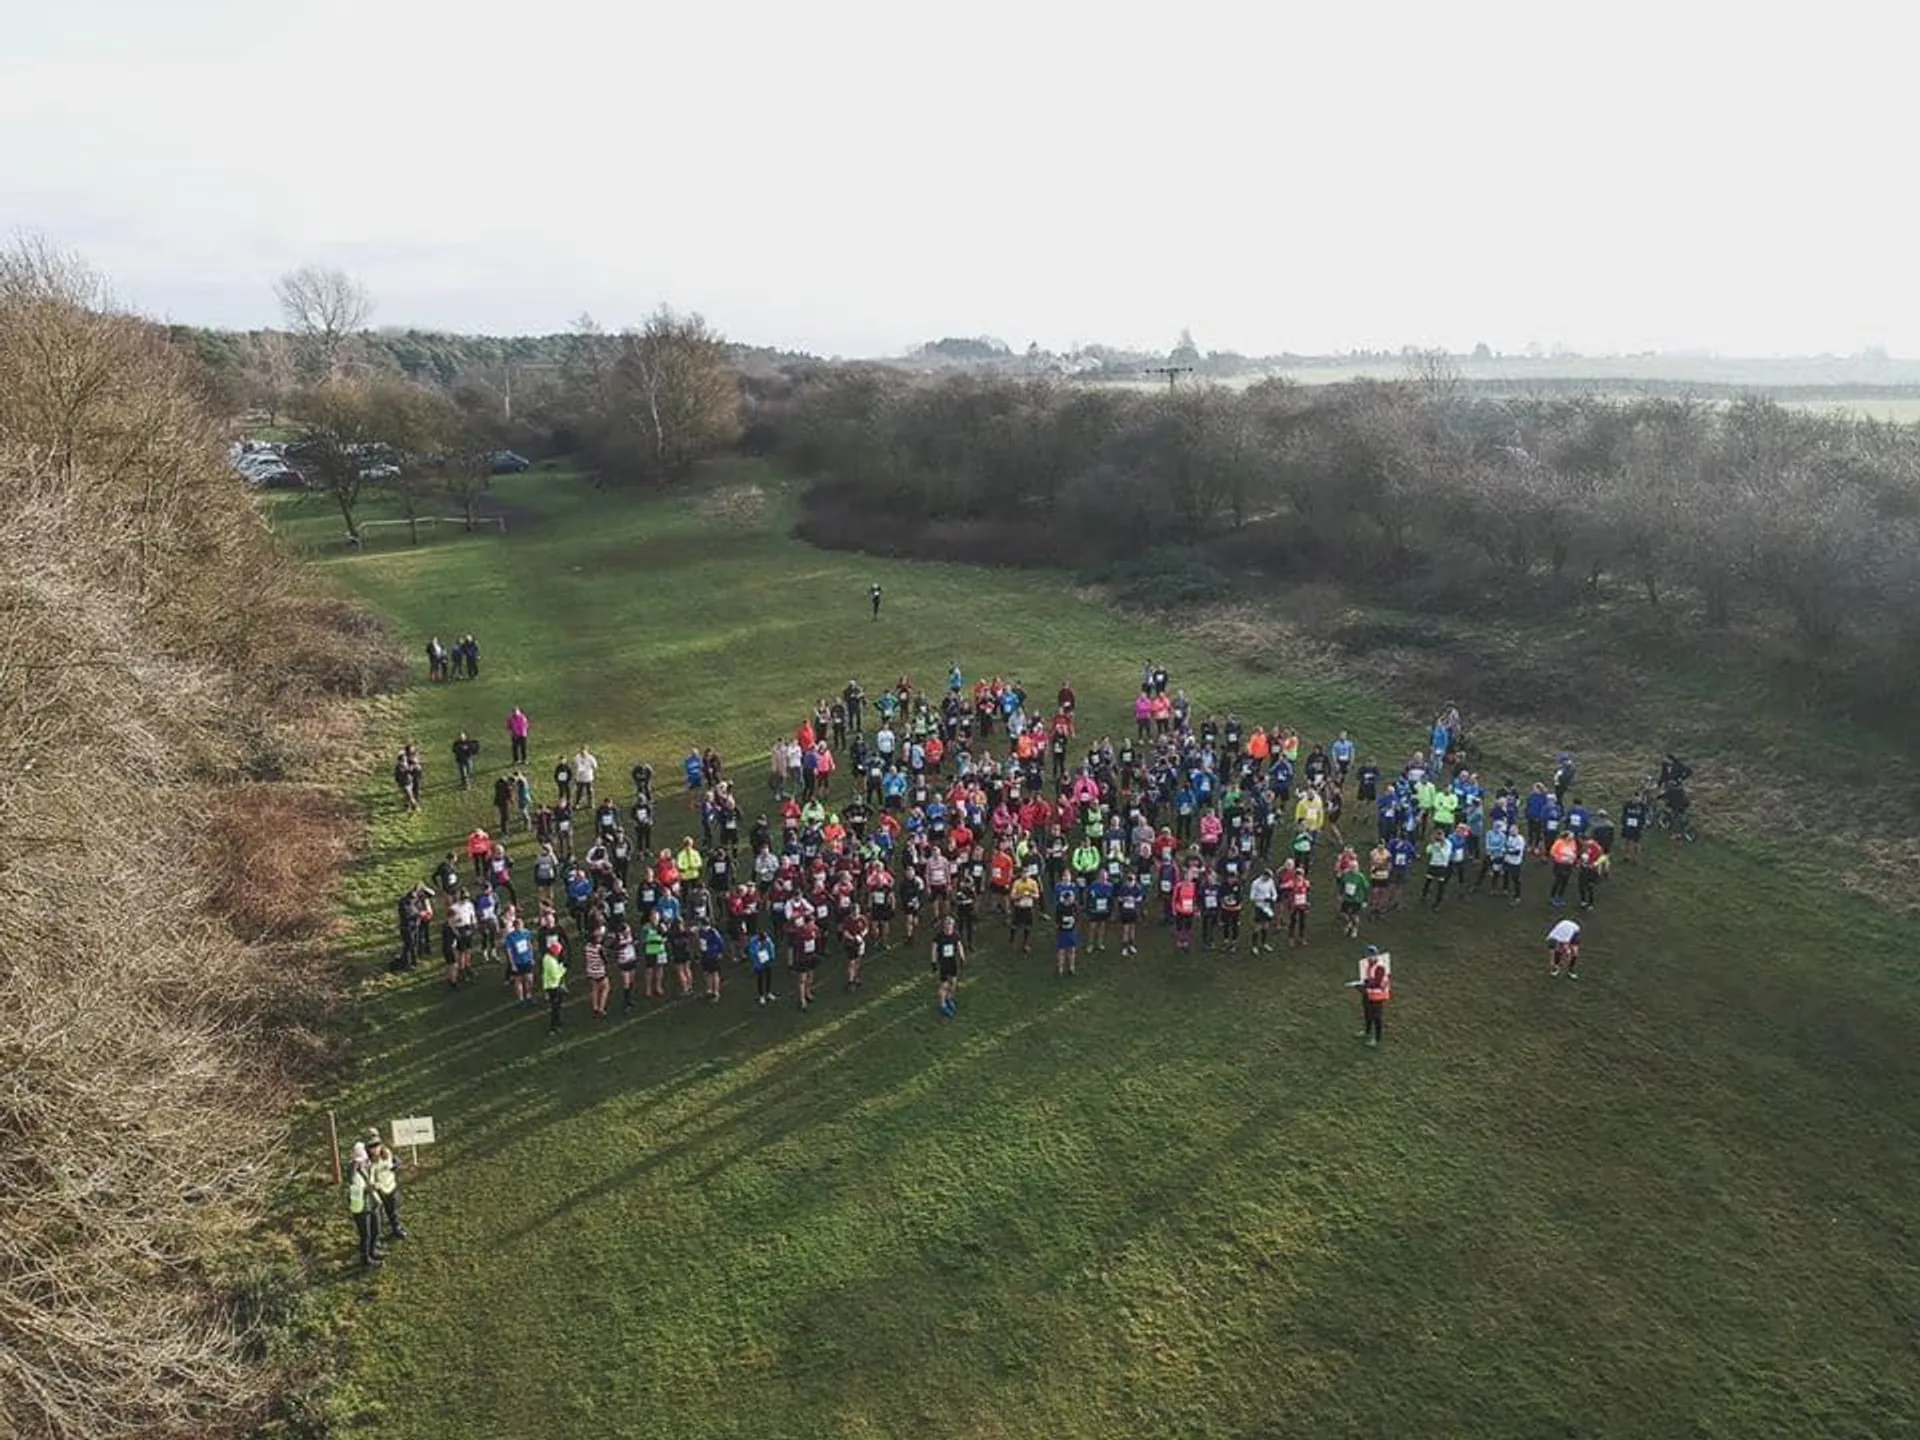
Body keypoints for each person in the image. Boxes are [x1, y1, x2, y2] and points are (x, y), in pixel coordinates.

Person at [366, 1129, 406, 1242]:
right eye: (371, 1146)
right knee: (378, 1214)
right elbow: (369, 1178)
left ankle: (396, 1229)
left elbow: (396, 1161)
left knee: (392, 1210)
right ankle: (377, 1235)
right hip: (379, 1190)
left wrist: (396, 1165)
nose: (374, 1149)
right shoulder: (369, 1161)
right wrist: (373, 1185)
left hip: (391, 1185)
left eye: (377, 1145)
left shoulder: (387, 1152)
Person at [348, 1142, 382, 1268]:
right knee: (365, 1235)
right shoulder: (354, 1170)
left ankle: (373, 1252)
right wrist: (357, 1163)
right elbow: (353, 1182)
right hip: (361, 1207)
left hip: (370, 1204)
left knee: (375, 1230)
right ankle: (365, 1259)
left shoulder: (366, 1168)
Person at [1352, 946, 1390, 1047]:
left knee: (1377, 1017)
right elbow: (1368, 978)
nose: (1370, 958)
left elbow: (1377, 982)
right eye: (1368, 956)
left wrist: (1362, 986)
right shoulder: (1368, 965)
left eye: (1372, 956)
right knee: (1367, 1014)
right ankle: (1366, 1032)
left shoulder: (1380, 966)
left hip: (1378, 995)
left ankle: (1377, 1039)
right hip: (1369, 993)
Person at [931, 913, 964, 1017]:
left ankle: (949, 998)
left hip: (953, 962)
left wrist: (962, 957)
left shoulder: (955, 935)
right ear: (944, 925)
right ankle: (942, 1004)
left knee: (954, 983)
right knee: (944, 985)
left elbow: (959, 945)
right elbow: (934, 949)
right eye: (947, 924)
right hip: (943, 963)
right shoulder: (939, 937)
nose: (949, 926)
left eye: (950, 924)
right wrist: (933, 962)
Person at [541, 935, 568, 1034]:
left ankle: (558, 1023)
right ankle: (554, 1026)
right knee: (555, 1008)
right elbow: (555, 976)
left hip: (549, 986)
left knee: (556, 1007)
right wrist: (562, 969)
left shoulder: (546, 958)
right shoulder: (551, 962)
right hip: (554, 987)